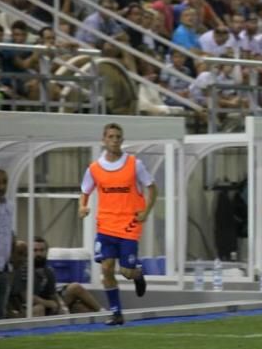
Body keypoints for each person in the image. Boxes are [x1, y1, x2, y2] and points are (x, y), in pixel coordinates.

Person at [79, 123, 156, 326]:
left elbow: (152, 188)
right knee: (106, 268)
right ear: (103, 140)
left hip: (129, 224)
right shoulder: (94, 168)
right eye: (111, 136)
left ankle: (137, 273)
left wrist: (146, 211)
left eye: (118, 137)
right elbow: (85, 191)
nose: (114, 140)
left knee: (126, 272)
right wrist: (82, 207)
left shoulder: (134, 164)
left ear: (122, 140)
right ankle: (116, 312)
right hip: (105, 225)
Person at [9, 237, 101, 317]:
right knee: (39, 308)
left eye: (41, 250)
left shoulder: (48, 270)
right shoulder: (23, 269)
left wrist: (61, 306)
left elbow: (53, 294)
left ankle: (102, 313)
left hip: (48, 304)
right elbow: (27, 297)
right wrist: (50, 304)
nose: (39, 254)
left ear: (46, 251)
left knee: (78, 301)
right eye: (35, 250)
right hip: (30, 306)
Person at [0, 168, 14, 319]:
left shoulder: (9, 206)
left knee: (0, 310)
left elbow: (9, 234)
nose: (1, 187)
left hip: (3, 267)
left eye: (4, 183)